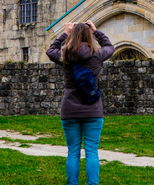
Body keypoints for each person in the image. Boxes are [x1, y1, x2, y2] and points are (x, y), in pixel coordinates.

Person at [46, 20, 114, 185]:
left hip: (70, 109)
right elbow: (110, 47)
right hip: (93, 109)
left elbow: (50, 50)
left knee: (73, 152)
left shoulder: (66, 55)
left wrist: (65, 33)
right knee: (92, 152)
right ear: (89, 35)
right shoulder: (97, 54)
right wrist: (96, 31)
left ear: (73, 35)